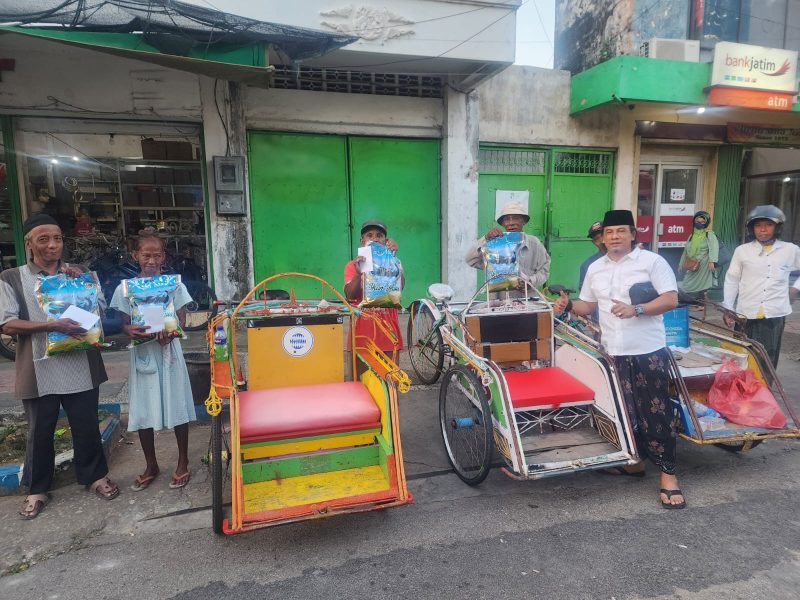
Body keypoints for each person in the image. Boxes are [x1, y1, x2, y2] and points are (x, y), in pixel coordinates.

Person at [554, 209, 685, 509]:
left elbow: (670, 299)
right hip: (613, 350)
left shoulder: (652, 262)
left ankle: (668, 474)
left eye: (621, 231)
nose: (614, 237)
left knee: (656, 412)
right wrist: (568, 305)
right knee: (624, 411)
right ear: (603, 237)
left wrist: (636, 310)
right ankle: (635, 462)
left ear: (633, 234)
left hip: (647, 350)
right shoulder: (595, 268)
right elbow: (588, 305)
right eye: (610, 233)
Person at [0, 214, 119, 520]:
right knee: (39, 432)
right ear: (29, 243)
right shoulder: (12, 277)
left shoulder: (79, 273)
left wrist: (80, 285)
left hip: (80, 363)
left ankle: (95, 477)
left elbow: (100, 308)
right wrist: (51, 325)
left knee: (86, 425)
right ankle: (37, 489)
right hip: (39, 369)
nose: (52, 245)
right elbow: (8, 323)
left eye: (57, 238)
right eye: (43, 239)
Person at [110, 229, 196, 491]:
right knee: (143, 408)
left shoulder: (175, 285)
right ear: (135, 255)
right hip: (143, 354)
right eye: (146, 255)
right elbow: (124, 324)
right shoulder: (126, 289)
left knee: (177, 404)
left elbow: (181, 320)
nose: (151, 260)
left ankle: (183, 460)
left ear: (163, 258)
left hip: (169, 353)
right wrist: (129, 331)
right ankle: (151, 464)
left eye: (156, 255)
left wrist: (170, 331)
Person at [723, 205, 800, 368]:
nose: (763, 230)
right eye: (758, 225)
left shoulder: (790, 250)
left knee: (767, 359)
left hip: (774, 314)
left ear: (777, 227)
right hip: (745, 313)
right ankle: (743, 391)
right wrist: (728, 307)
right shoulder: (742, 251)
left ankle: (765, 390)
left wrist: (795, 288)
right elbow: (732, 279)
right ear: (752, 229)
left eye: (768, 225)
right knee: (741, 356)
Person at [344, 220, 404, 355]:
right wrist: (359, 274)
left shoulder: (395, 262)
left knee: (390, 375)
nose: (374, 239)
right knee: (359, 376)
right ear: (362, 241)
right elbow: (350, 295)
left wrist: (393, 260)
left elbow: (400, 288)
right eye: (369, 235)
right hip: (361, 335)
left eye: (379, 235)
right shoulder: (353, 265)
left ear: (386, 241)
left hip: (389, 335)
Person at [465, 201, 550, 294]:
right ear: (502, 224)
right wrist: (485, 238)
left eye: (516, 218)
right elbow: (470, 260)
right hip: (499, 303)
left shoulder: (535, 244)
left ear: (524, 221)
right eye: (507, 219)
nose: (511, 223)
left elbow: (544, 270)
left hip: (528, 302)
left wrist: (530, 282)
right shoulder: (493, 244)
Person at [678, 211, 719, 301]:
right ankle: (693, 301)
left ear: (706, 223)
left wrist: (712, 261)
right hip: (692, 264)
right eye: (697, 221)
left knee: (703, 284)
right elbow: (686, 251)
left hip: (704, 263)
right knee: (686, 284)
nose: (699, 223)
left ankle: (702, 304)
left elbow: (714, 248)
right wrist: (681, 264)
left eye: (702, 222)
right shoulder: (691, 236)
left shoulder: (709, 234)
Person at [579, 221, 606, 290]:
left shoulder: (627, 259)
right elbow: (584, 295)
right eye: (597, 239)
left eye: (604, 236)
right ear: (594, 242)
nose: (602, 241)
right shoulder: (587, 265)